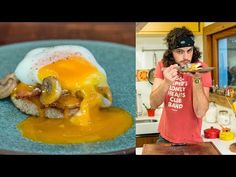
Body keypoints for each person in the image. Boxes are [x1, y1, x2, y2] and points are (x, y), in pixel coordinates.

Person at [150, 26, 212, 144]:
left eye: (189, 50)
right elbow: (153, 104)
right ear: (171, 52)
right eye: (180, 52)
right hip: (165, 138)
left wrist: (197, 80)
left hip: (192, 140)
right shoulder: (163, 66)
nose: (186, 57)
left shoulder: (202, 68)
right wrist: (167, 82)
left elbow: (200, 112)